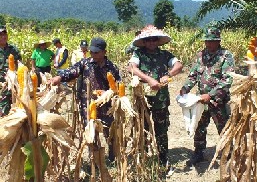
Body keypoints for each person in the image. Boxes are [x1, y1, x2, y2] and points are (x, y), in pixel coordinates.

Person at [48, 37, 121, 160]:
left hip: (106, 106)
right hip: (87, 104)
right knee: (91, 133)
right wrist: (59, 78)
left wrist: (109, 92)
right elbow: (72, 71)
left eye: (96, 52)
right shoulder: (85, 63)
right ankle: (95, 160)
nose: (93, 54)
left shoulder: (111, 67)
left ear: (104, 52)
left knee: (110, 132)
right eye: (91, 51)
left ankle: (112, 157)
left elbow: (119, 84)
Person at [127, 25, 183, 169]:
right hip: (142, 98)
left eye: (154, 40)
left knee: (161, 129)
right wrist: (149, 79)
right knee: (142, 127)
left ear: (158, 41)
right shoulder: (138, 54)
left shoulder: (165, 55)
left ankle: (163, 158)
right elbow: (132, 68)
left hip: (161, 99)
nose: (151, 42)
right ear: (144, 42)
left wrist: (168, 75)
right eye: (148, 40)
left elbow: (178, 65)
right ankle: (144, 158)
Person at [179, 27, 235, 166]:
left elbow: (227, 79)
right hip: (200, 101)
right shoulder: (201, 55)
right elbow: (193, 75)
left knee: (223, 128)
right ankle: (198, 152)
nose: (208, 44)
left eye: (211, 41)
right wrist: (185, 88)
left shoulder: (225, 56)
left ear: (218, 41)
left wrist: (210, 95)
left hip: (218, 101)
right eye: (206, 41)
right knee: (199, 126)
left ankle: (228, 153)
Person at [0, 25, 22, 116]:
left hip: (10, 82)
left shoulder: (13, 50)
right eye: (0, 35)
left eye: (5, 34)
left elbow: (20, 64)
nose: (3, 37)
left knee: (8, 104)